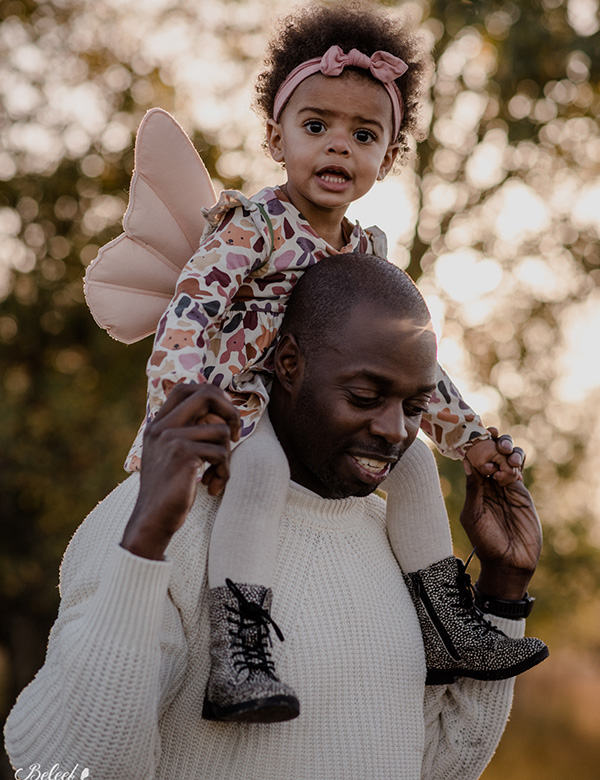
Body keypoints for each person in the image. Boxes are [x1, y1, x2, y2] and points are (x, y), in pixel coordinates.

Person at [109, 2, 546, 722]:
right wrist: (179, 403)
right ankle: (239, 651)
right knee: (259, 470)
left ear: (390, 157)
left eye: (363, 134)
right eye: (316, 127)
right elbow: (189, 311)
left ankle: (444, 623)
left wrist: (470, 440)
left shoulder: (370, 258)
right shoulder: (252, 226)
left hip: (324, 410)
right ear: (277, 138)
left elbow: (413, 375)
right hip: (245, 400)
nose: (338, 148)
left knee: (406, 459)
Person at [5, 254, 546, 779]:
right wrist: (146, 538)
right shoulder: (165, 525)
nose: (394, 430)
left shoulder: (396, 545)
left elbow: (437, 768)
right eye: (363, 396)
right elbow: (67, 768)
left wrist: (502, 587)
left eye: (412, 408)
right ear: (287, 363)